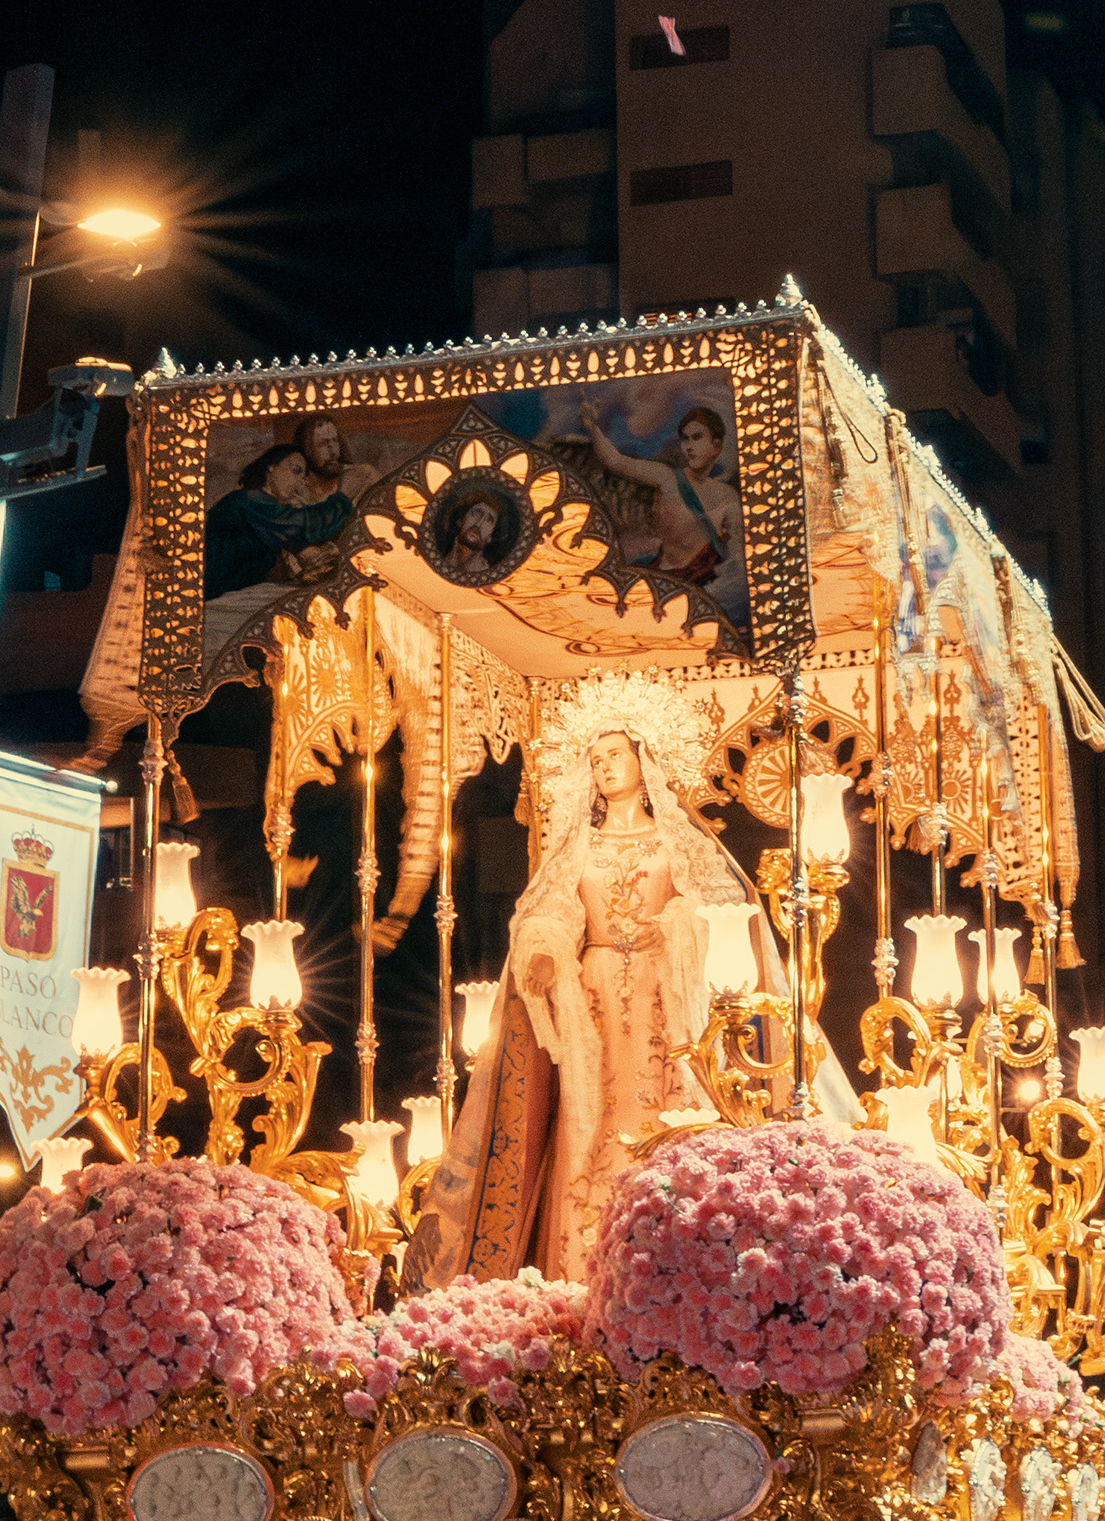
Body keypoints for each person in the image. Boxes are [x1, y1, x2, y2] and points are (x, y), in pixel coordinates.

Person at [409, 699, 808, 1286]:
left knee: (670, 1107)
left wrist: (676, 925)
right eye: (596, 760)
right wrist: (545, 950)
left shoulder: (677, 841)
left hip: (665, 998)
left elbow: (721, 908)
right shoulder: (579, 846)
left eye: (616, 754)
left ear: (644, 761)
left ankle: (677, 1263)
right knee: (589, 1123)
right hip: (592, 1001)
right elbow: (551, 911)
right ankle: (582, 1271)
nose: (606, 767)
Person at [577, 399, 749, 631]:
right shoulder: (668, 478)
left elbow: (737, 558)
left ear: (716, 446)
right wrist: (592, 426)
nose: (689, 446)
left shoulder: (728, 497)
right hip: (663, 578)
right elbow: (615, 461)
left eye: (697, 437)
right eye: (685, 439)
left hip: (705, 581)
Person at [203, 444, 353, 601]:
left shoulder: (265, 509)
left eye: (303, 476)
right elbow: (304, 525)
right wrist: (343, 498)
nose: (300, 480)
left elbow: (298, 541)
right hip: (222, 598)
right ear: (272, 466)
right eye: (295, 470)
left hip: (240, 595)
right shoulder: (246, 501)